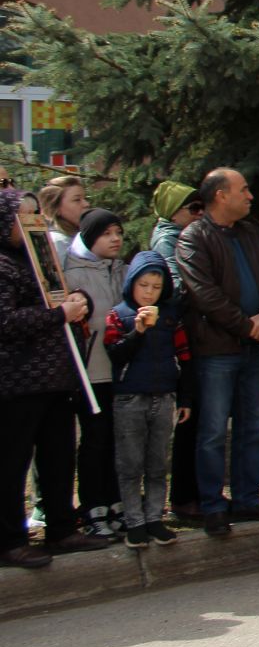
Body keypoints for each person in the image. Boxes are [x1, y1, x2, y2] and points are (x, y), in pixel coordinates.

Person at [175, 168, 259, 536]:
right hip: (217, 350)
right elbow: (203, 294)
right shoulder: (193, 238)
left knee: (253, 426)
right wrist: (247, 325)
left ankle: (247, 500)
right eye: (244, 189)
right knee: (212, 432)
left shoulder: (250, 232)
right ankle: (212, 506)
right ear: (221, 195)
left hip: (253, 347)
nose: (250, 196)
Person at [0, 186, 110, 566]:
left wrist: (76, 303)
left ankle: (62, 528)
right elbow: (6, 321)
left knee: (58, 455)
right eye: (23, 215)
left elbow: (58, 297)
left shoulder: (39, 256)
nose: (32, 223)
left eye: (35, 214)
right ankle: (11, 540)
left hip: (57, 375)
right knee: (13, 462)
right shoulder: (2, 263)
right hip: (18, 380)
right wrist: (58, 315)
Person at [103, 252, 192, 548]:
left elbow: (184, 357)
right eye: (144, 285)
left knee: (157, 463)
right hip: (130, 398)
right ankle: (134, 522)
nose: (149, 292)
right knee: (130, 464)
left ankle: (155, 517)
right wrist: (137, 332)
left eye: (156, 286)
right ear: (132, 284)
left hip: (163, 396)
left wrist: (185, 398)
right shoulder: (119, 314)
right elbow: (115, 353)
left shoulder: (169, 316)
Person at [63, 208, 129, 537]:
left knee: (117, 440)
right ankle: (93, 507)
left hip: (120, 368)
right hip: (91, 372)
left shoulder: (122, 269)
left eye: (118, 232)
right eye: (106, 234)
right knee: (95, 440)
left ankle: (116, 502)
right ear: (90, 238)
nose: (115, 239)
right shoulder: (70, 271)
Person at [148, 180, 205, 521]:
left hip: (191, 335)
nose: (199, 215)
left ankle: (190, 493)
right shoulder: (168, 238)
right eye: (193, 209)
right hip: (181, 338)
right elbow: (176, 288)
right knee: (190, 418)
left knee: (196, 419)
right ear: (174, 211)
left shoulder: (183, 235)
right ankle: (184, 497)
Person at [37, 176, 89, 256]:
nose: (86, 204)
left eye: (85, 198)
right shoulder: (57, 243)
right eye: (77, 200)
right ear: (56, 208)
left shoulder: (83, 238)